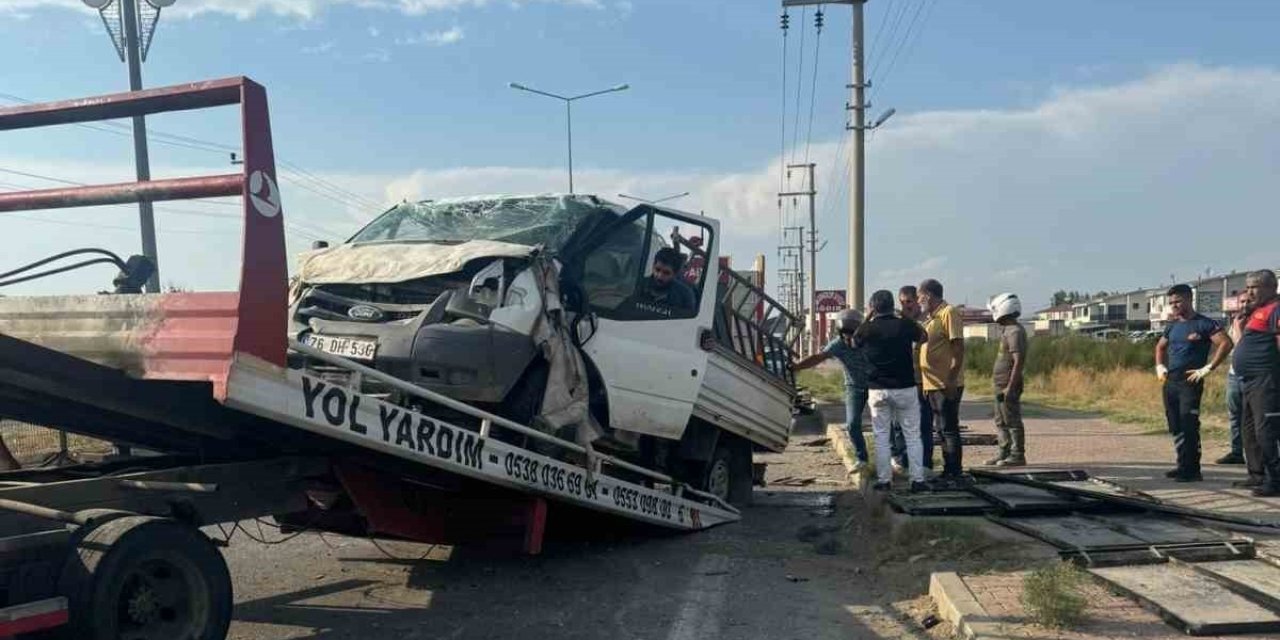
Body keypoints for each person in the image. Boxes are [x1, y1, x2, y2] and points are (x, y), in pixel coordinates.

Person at [1154, 284, 1233, 483]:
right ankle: (1182, 464)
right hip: (1171, 379)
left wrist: (1208, 368)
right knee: (1176, 424)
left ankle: (1192, 469)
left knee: (1189, 424)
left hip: (1191, 379)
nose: (1174, 305)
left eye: (1178, 301)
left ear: (1189, 299)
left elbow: (1226, 343)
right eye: (1171, 302)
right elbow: (1160, 347)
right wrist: (1159, 366)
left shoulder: (1204, 324)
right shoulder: (1172, 325)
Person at [851, 290, 928, 492]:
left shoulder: (867, 329)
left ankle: (885, 481)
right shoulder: (903, 325)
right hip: (905, 387)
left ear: (873, 307)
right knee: (912, 435)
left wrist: (868, 315)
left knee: (881, 437)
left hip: (878, 390)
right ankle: (917, 480)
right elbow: (924, 336)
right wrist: (902, 315)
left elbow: (854, 341)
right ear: (893, 305)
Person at [793, 309, 872, 471]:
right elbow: (819, 357)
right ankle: (861, 458)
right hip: (854, 387)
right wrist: (797, 367)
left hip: (876, 385)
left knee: (886, 424)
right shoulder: (838, 344)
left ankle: (896, 457)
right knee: (852, 424)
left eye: (853, 334)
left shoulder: (870, 339)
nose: (849, 339)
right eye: (845, 335)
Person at [1231, 269, 1280, 496]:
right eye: (1248, 287)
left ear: (1271, 287)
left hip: (1265, 379)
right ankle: (1256, 474)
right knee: (1248, 430)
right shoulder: (1256, 311)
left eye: (1256, 287)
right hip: (1248, 381)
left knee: (1265, 431)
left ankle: (1275, 479)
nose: (1250, 291)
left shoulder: (1275, 309)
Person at [918, 278, 967, 485]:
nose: (919, 302)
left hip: (945, 383)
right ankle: (948, 470)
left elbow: (957, 348)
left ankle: (954, 471)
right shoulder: (931, 318)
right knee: (940, 429)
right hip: (932, 383)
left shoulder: (949, 313)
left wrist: (951, 380)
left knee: (948, 428)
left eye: (920, 298)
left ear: (928, 295)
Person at [890, 285, 934, 474]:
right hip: (901, 382)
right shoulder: (898, 324)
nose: (905, 306)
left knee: (922, 426)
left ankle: (924, 464)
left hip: (922, 382)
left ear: (917, 302)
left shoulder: (926, 322)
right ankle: (903, 461)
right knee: (898, 425)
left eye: (908, 301)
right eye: (901, 302)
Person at [984, 293, 1028, 467]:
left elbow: (1019, 361)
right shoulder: (1007, 330)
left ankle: (1017, 455)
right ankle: (1004, 452)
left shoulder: (1015, 331)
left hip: (1008, 385)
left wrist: (1010, 386)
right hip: (999, 384)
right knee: (1000, 420)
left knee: (1012, 420)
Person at [1219, 296, 1253, 466]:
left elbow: (1243, 348)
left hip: (1252, 376)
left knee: (1253, 417)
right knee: (1234, 415)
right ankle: (1236, 451)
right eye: (1242, 301)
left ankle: (1257, 457)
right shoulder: (1236, 321)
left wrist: (1239, 329)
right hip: (1234, 374)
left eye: (1248, 301)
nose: (1245, 304)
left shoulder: (1257, 322)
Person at [638, 247, 696, 312]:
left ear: (675, 274)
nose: (659, 276)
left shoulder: (685, 295)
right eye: (657, 270)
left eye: (666, 273)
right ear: (653, 266)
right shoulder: (639, 285)